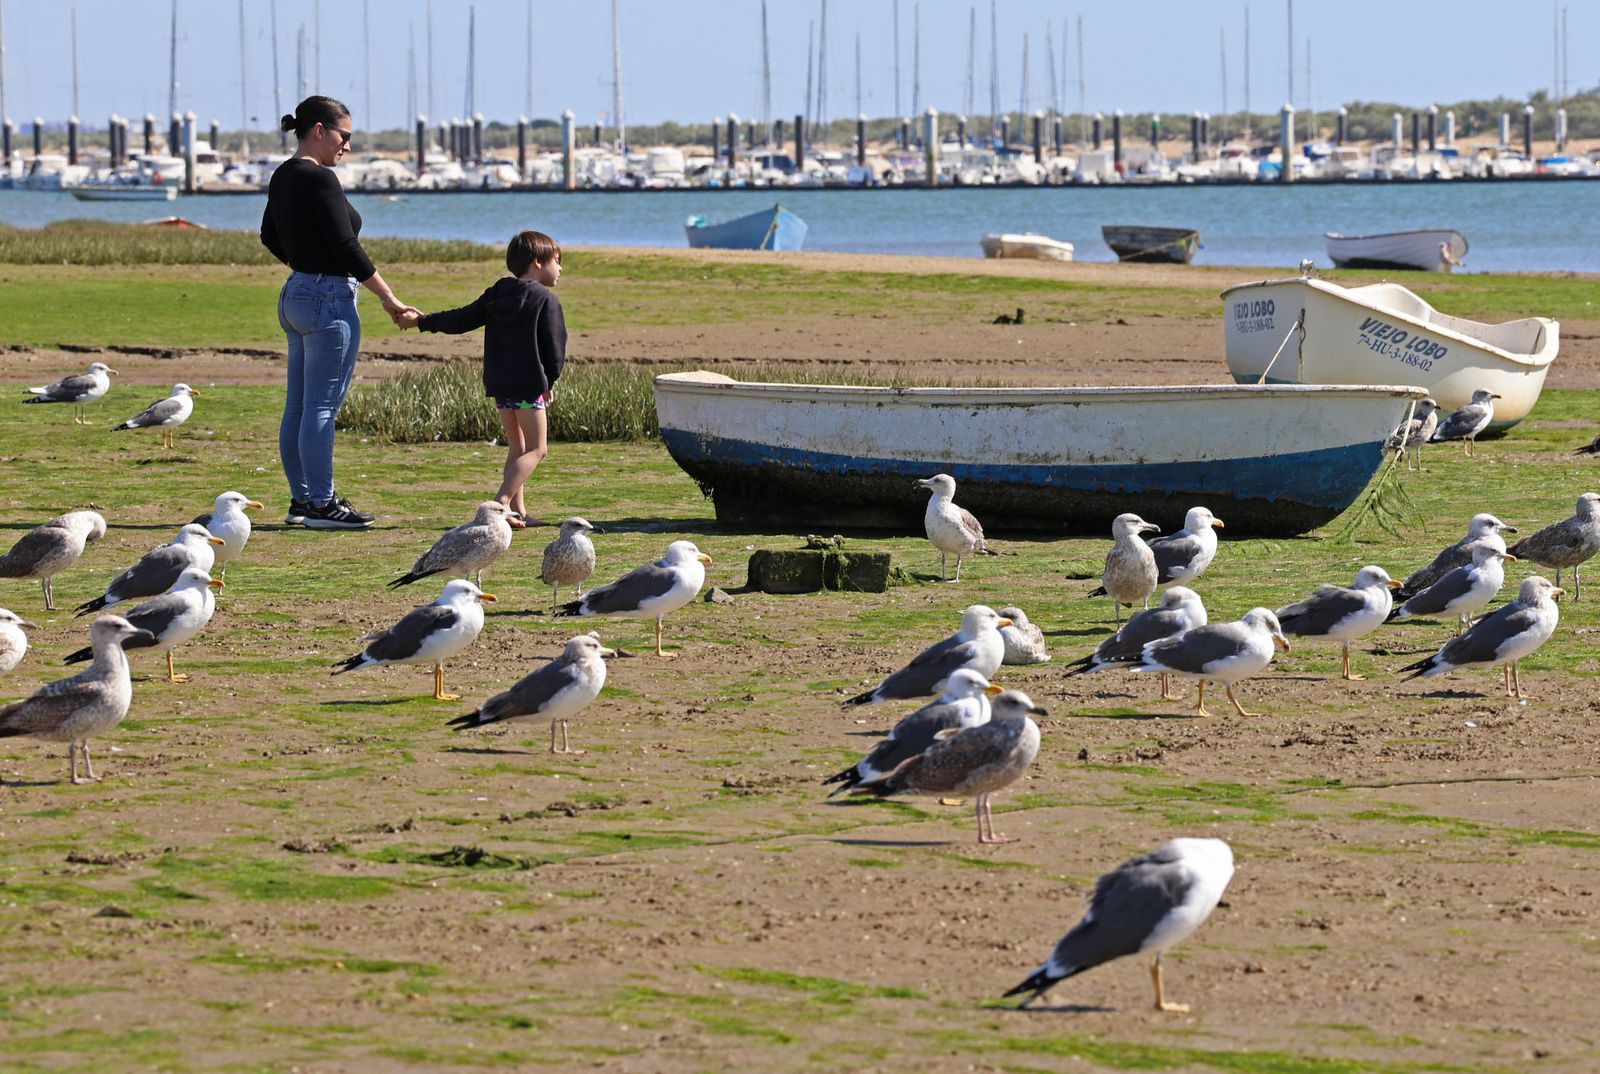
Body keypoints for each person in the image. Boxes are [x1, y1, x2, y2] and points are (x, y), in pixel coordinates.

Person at [261, 95, 416, 530]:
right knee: (321, 409)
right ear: (318, 131)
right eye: (343, 136)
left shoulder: (282, 175)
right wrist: (389, 298)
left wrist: (302, 266)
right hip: (328, 299)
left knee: (299, 407)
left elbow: (267, 235)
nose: (347, 145)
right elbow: (348, 246)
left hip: (296, 296)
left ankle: (302, 500)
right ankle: (323, 505)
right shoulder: (322, 179)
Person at [398, 231, 566, 528]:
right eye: (557, 261)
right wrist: (549, 382)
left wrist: (422, 322)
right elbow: (555, 348)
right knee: (538, 449)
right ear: (538, 262)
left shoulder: (496, 294)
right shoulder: (545, 300)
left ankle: (519, 512)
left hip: (500, 385)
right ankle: (501, 502)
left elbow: (461, 319)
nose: (560, 268)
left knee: (517, 447)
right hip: (529, 385)